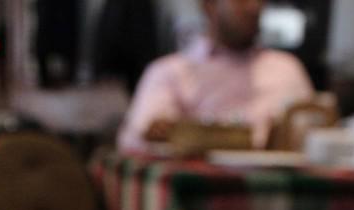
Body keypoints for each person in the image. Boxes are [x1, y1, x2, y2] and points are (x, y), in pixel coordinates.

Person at [117, 0, 313, 153]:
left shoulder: (288, 69)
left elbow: (316, 138)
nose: (254, 7)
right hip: (198, 195)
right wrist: (162, 133)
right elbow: (136, 142)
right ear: (209, 5)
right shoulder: (169, 72)